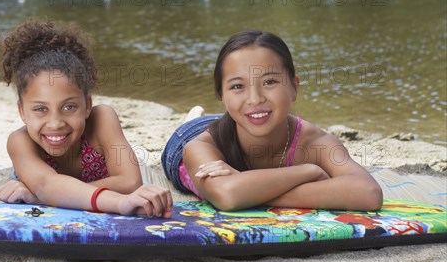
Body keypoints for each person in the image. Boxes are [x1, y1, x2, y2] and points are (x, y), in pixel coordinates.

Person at [162, 30, 383, 212]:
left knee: (249, 113)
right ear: (221, 94)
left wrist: (247, 187)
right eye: (237, 86)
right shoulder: (200, 146)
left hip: (242, 120)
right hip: (194, 134)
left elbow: (368, 193)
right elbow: (228, 196)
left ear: (294, 87)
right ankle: (192, 119)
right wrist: (308, 172)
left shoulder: (315, 141)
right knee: (195, 127)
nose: (255, 98)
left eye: (269, 82)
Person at [0, 18, 172, 217]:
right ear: (22, 112)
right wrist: (119, 202)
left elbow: (130, 182)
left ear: (87, 105)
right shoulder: (20, 142)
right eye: (40, 109)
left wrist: (47, 197)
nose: (55, 123)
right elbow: (47, 184)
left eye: (69, 106)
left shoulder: (102, 119)